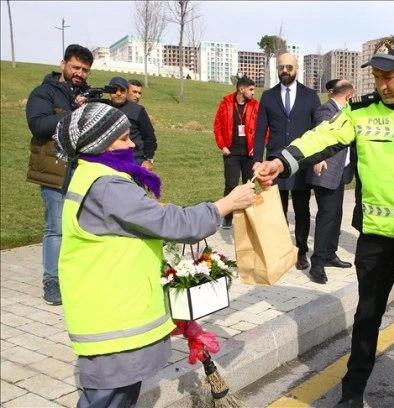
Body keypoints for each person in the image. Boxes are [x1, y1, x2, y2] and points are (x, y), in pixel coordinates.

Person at [254, 38, 394, 408]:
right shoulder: (362, 111)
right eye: (376, 76)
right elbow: (324, 136)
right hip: (376, 239)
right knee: (367, 317)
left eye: (388, 76)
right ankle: (351, 395)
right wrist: (282, 161)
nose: (381, 84)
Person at [54, 102, 256, 408]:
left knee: (118, 398)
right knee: (106, 400)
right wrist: (226, 203)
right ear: (100, 144)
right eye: (123, 138)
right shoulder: (107, 186)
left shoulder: (91, 176)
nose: (132, 143)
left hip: (112, 312)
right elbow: (176, 224)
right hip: (112, 321)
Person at [26, 43, 94, 305]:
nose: (79, 73)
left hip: (82, 172)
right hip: (55, 172)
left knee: (80, 227)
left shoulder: (85, 94)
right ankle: (51, 281)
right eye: (75, 67)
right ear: (62, 64)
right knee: (56, 228)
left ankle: (73, 277)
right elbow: (38, 125)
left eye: (85, 69)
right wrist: (73, 112)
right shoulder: (43, 93)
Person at [253, 52, 321, 270]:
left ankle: (302, 251)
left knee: (302, 210)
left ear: (297, 68)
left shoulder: (310, 96)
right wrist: (256, 159)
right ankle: (281, 250)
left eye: (289, 67)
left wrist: (319, 157)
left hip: (301, 162)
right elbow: (260, 129)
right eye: (281, 67)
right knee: (276, 209)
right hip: (274, 162)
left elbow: (318, 131)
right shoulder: (268, 96)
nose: (285, 71)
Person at [305, 79, 356, 284]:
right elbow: (320, 136)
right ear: (348, 97)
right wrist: (319, 159)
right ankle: (317, 262)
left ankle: (330, 254)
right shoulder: (326, 110)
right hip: (325, 171)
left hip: (340, 173)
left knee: (336, 214)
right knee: (326, 216)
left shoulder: (346, 112)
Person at [214, 75, 265, 229]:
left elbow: (263, 129)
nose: (253, 93)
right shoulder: (226, 103)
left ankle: (248, 217)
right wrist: (222, 146)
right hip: (231, 153)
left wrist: (256, 148)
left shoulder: (255, 105)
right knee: (231, 185)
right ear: (241, 89)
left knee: (249, 186)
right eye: (251, 89)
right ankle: (228, 217)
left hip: (249, 154)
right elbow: (217, 126)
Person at [106, 76, 157, 171]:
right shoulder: (103, 108)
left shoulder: (138, 110)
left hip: (134, 159)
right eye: (115, 90)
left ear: (126, 91)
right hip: (109, 158)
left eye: (122, 90)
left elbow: (150, 137)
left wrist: (148, 159)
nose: (118, 93)